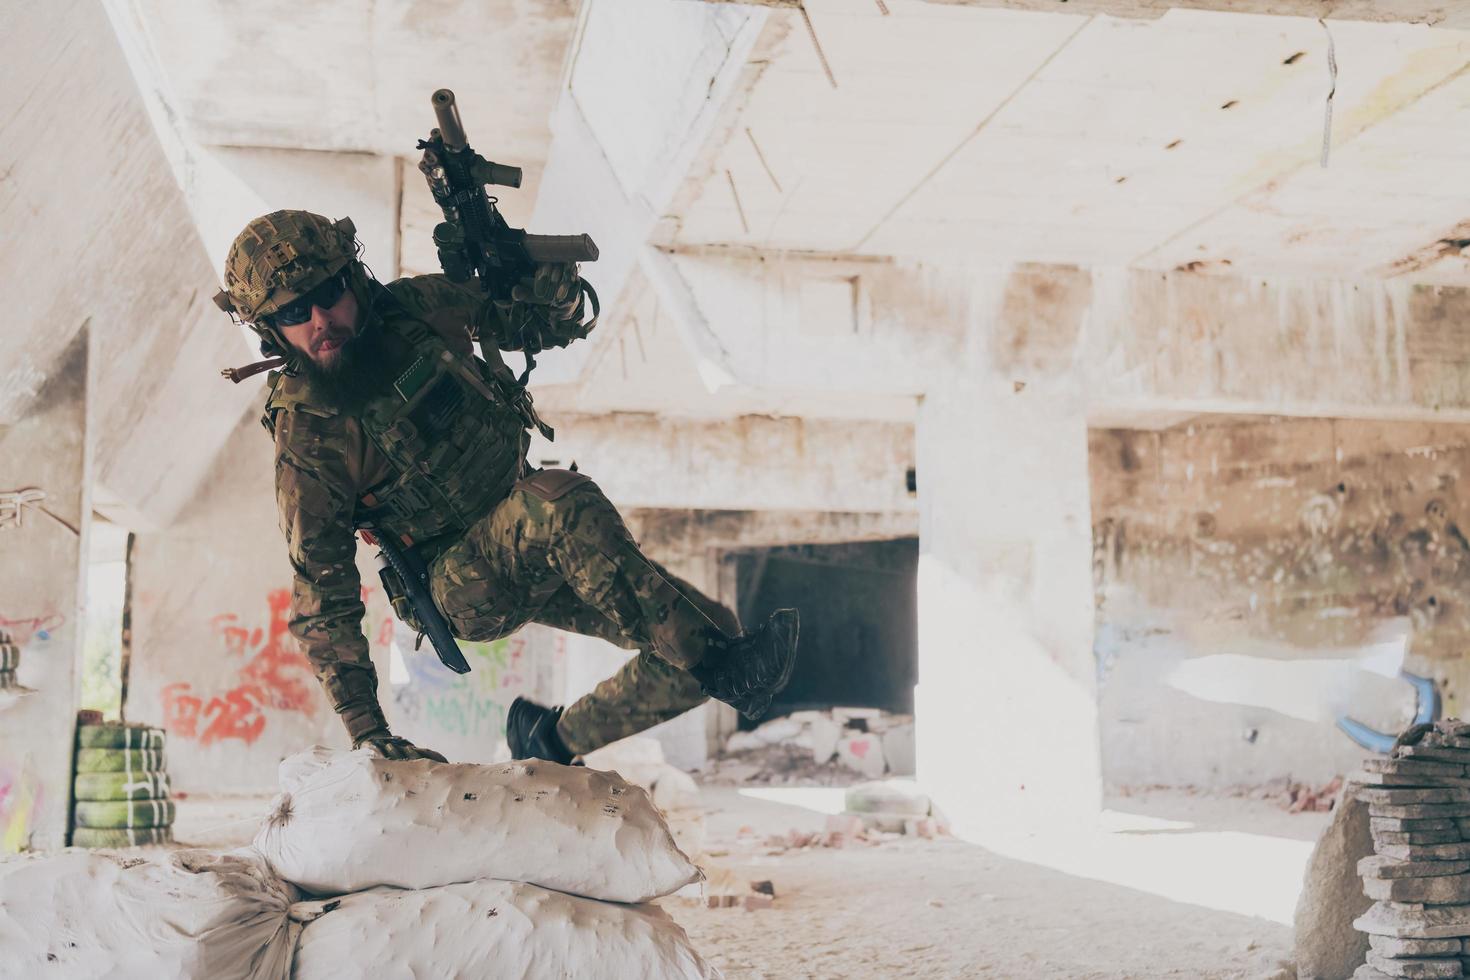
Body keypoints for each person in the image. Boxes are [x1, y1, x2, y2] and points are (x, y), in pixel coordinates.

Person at [213, 210, 798, 765]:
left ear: (355, 280)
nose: (321, 320)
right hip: (460, 584)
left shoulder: (416, 310)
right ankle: (731, 673)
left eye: (329, 293)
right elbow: (322, 594)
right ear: (271, 333)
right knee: (560, 504)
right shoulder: (311, 430)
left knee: (702, 627)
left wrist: (544, 281)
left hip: (535, 544)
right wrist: (371, 733)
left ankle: (554, 741)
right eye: (294, 313)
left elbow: (551, 323)